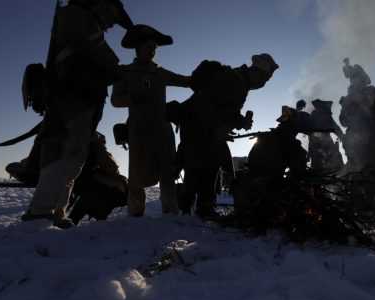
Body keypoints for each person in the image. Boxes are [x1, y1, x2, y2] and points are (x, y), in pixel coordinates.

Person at [23, 0, 133, 228]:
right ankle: (41, 212)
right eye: (113, 16)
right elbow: (101, 55)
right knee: (64, 154)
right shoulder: (77, 17)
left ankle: (55, 211)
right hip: (72, 99)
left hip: (81, 100)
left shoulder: (81, 19)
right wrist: (115, 68)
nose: (112, 24)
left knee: (73, 157)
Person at [178, 54, 278, 218]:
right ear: (257, 72)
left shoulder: (238, 79)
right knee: (206, 165)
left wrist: (231, 125)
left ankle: (191, 207)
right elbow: (220, 109)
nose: (262, 84)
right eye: (263, 80)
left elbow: (223, 108)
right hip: (198, 125)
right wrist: (239, 122)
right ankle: (199, 208)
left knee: (200, 165)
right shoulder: (236, 81)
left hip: (196, 124)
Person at [111, 24, 192, 217]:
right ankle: (136, 213)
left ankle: (171, 211)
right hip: (138, 130)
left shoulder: (160, 73)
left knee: (168, 171)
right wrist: (133, 98)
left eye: (154, 48)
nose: (152, 51)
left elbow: (185, 81)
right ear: (138, 49)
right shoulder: (124, 72)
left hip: (163, 129)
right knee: (136, 173)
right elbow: (115, 100)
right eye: (149, 47)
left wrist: (203, 77)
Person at [339, 58, 375, 182]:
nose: (354, 80)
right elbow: (343, 121)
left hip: (373, 139)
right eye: (352, 78)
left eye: (356, 77)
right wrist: (351, 117)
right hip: (354, 141)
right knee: (355, 175)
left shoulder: (374, 92)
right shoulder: (347, 99)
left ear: (362, 78)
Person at [307, 100, 344, 174]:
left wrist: (342, 136)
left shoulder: (317, 115)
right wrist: (342, 136)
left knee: (328, 159)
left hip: (320, 141)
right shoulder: (321, 115)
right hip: (319, 142)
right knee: (325, 160)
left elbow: (335, 128)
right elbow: (336, 128)